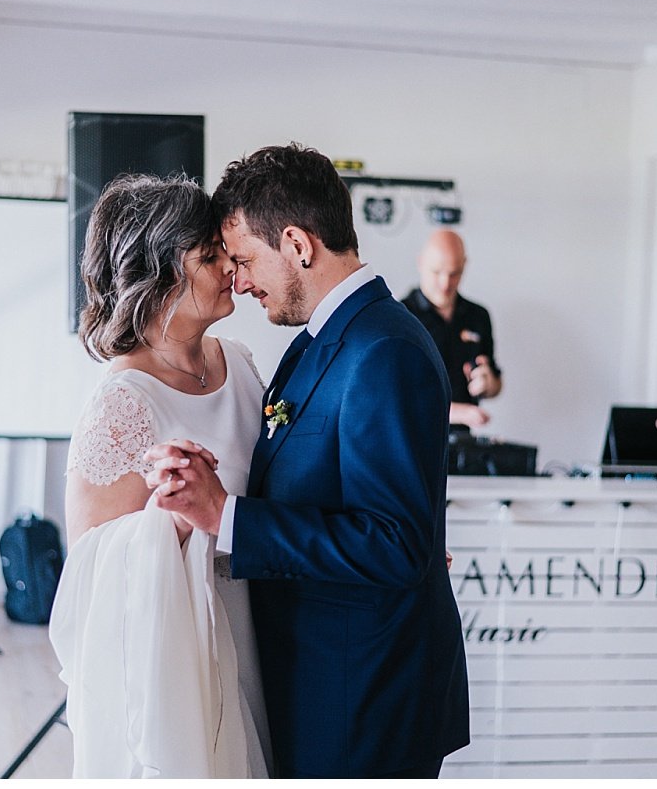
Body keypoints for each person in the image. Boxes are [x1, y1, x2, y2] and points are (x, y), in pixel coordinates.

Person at [146, 143, 470, 778]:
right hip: (320, 680)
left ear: (297, 243)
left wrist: (226, 516)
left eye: (243, 259)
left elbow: (397, 545)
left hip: (364, 694)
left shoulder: (385, 350)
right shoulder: (313, 345)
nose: (238, 280)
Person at [47, 173, 271, 778]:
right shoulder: (122, 402)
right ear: (159, 277)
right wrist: (169, 520)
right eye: (207, 255)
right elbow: (90, 581)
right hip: (186, 659)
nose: (230, 264)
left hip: (269, 627)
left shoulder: (243, 365)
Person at [402, 229, 503, 428]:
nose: (445, 283)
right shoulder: (401, 316)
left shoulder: (478, 316)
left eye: (454, 273)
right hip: (415, 441)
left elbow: (496, 383)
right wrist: (455, 412)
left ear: (464, 265)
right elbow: (394, 393)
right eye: (437, 272)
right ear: (421, 262)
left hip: (462, 443)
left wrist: (487, 383)